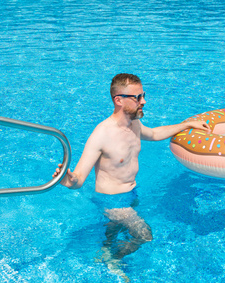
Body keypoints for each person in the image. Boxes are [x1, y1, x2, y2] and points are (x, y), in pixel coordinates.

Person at [53, 73, 210, 279]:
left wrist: (186, 125)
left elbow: (153, 134)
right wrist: (68, 180)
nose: (143, 101)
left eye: (143, 95)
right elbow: (79, 178)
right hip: (111, 200)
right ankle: (114, 259)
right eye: (137, 97)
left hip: (130, 192)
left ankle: (106, 250)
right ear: (119, 100)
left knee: (116, 228)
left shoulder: (133, 123)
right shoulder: (101, 135)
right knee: (144, 235)